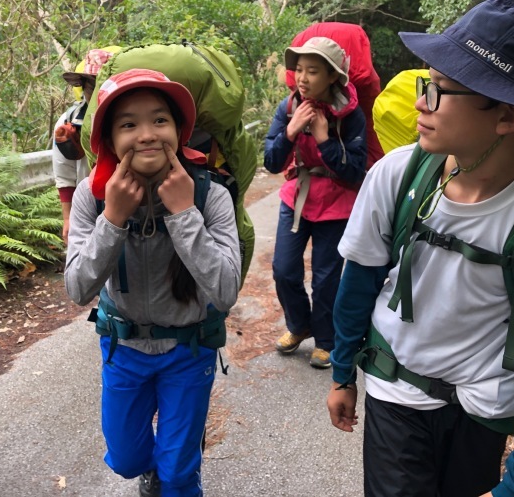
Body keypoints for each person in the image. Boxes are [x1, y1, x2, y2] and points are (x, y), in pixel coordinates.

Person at [326, 0, 514, 497]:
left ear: (510, 117)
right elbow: (358, 282)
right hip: (395, 389)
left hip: (485, 409)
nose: (419, 103)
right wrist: (343, 373)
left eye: (438, 90)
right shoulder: (396, 174)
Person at [64, 68, 241, 497]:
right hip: (124, 349)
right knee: (126, 460)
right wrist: (114, 217)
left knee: (178, 474)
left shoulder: (210, 195)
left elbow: (225, 290)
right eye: (129, 124)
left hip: (189, 348)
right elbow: (78, 288)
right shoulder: (93, 195)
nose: (146, 135)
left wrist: (183, 215)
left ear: (179, 132)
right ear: (108, 138)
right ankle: (154, 468)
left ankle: (174, 473)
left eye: (159, 120)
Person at [264, 36, 367, 368]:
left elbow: (354, 172)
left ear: (333, 76)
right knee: (283, 269)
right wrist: (290, 132)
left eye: (313, 71)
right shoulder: (289, 107)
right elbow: (271, 161)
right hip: (296, 198)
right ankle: (299, 324)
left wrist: (324, 139)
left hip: (337, 203)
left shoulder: (351, 115)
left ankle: (326, 340)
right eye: (300, 70)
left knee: (326, 278)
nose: (303, 78)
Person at [54, 48, 116, 243]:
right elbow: (64, 173)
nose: (98, 92)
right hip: (88, 207)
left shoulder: (130, 120)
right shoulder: (69, 122)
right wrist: (68, 218)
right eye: (92, 86)